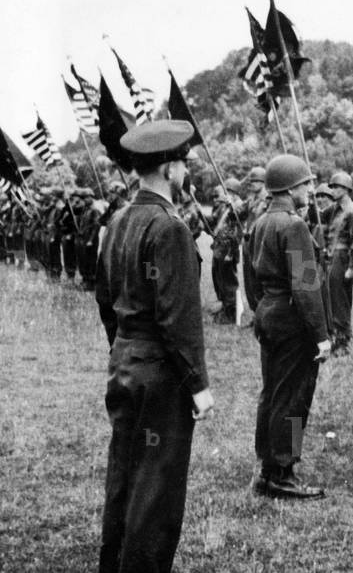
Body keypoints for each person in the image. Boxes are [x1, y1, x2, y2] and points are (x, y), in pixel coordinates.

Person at [94, 119, 213, 572]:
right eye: (182, 162)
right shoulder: (170, 228)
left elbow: (105, 297)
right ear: (168, 167)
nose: (186, 171)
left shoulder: (119, 220)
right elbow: (177, 319)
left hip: (125, 362)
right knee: (157, 488)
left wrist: (123, 347)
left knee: (124, 475)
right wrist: (197, 384)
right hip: (160, 376)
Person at [250, 154, 332, 499]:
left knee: (272, 393)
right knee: (295, 397)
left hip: (269, 312)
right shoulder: (294, 225)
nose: (311, 190)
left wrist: (263, 307)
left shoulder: (261, 222)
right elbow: (306, 284)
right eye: (306, 184)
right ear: (290, 188)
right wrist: (321, 335)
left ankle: (269, 467)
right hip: (293, 321)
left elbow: (251, 274)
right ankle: (282, 472)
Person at [326, 171, 353, 355]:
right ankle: (335, 336)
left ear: (347, 189)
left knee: (341, 299)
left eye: (337, 187)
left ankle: (342, 341)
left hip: (342, 257)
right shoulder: (333, 209)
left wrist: (351, 266)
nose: (333, 190)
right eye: (332, 187)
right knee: (332, 297)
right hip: (331, 256)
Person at [211, 177, 244, 324]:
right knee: (220, 278)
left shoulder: (238, 205)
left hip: (229, 248)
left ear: (234, 192)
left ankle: (232, 311)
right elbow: (215, 220)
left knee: (229, 281)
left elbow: (239, 223)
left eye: (228, 191)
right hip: (220, 246)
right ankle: (225, 306)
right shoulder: (225, 205)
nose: (225, 193)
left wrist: (231, 252)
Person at [241, 166, 268, 314]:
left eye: (255, 181)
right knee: (249, 280)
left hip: (260, 244)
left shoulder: (268, 200)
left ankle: (263, 314)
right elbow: (240, 213)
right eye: (251, 181)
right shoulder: (251, 200)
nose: (252, 184)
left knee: (259, 281)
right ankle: (255, 313)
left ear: (263, 182)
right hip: (247, 243)